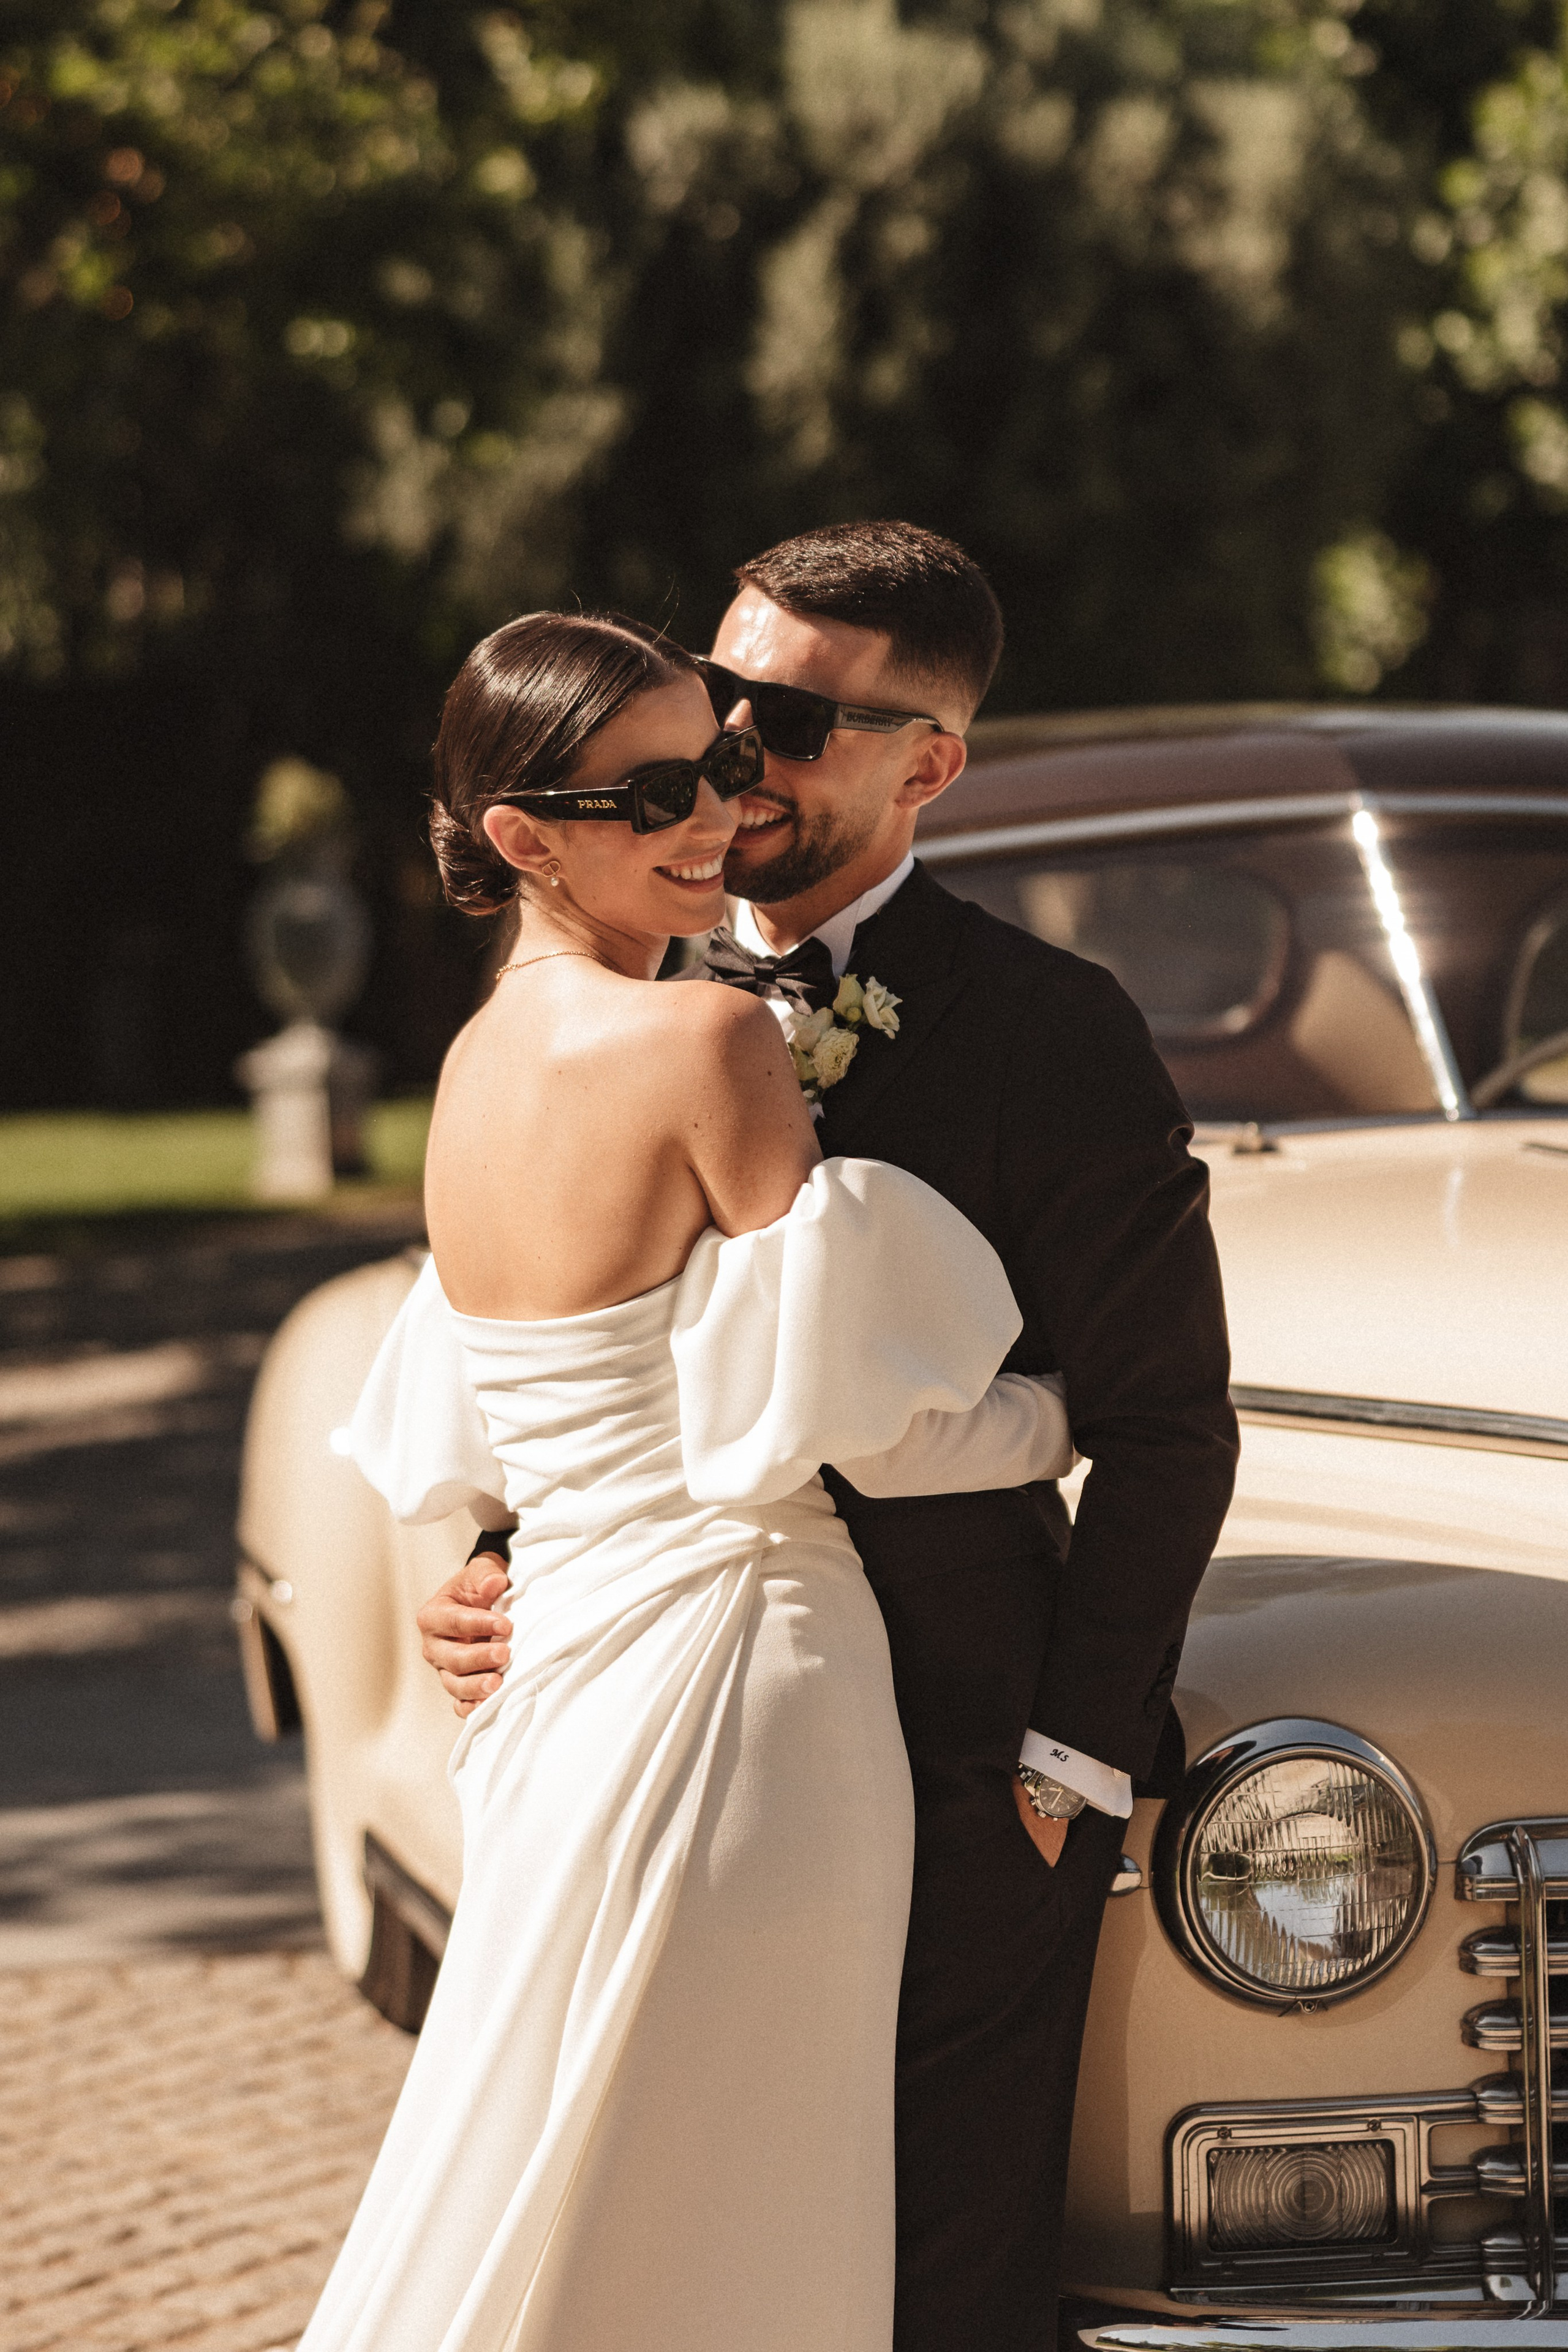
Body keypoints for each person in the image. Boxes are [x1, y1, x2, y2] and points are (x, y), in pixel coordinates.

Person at [423, 522, 1239, 2351]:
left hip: (965, 1772)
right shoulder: (609, 1018)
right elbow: (561, 1356)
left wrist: (1071, 1766)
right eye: (717, 707)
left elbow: (1168, 1432)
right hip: (657, 1720)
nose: (734, 762)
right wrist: (490, 1560)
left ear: (928, 766)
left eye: (788, 724)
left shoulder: (1053, 1034)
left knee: (938, 2274)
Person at [300, 609, 1084, 2352]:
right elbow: (845, 1418)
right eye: (652, 789)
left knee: (573, 2135)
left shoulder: (471, 1070)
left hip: (570, 1669)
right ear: (520, 839)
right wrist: (1062, 1418)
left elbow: (519, 1419)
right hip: (747, 1671)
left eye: (721, 762)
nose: (714, 813)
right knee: (743, 2187)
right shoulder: (706, 1046)